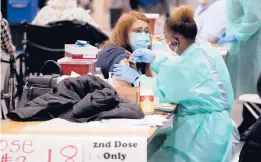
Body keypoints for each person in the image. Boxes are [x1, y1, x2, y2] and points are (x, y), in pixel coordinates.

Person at [113, 6, 237, 161]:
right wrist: (155, 58)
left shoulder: (187, 65)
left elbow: (162, 91)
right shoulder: (204, 50)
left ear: (175, 40)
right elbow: (175, 67)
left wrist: (137, 79)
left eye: (165, 40)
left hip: (202, 136)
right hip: (217, 129)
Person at [217, 0, 261, 134]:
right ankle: (248, 122)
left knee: (251, 84)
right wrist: (228, 31)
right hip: (241, 44)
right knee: (245, 84)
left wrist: (237, 34)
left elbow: (254, 16)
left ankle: (252, 124)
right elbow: (236, 14)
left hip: (249, 43)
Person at [95, 11, 153, 87]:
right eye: (138, 31)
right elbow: (125, 95)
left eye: (147, 31)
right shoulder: (122, 59)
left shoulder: (139, 57)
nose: (144, 36)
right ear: (124, 33)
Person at [32, 0, 98, 27]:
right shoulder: (81, 14)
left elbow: (29, 34)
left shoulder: (44, 13)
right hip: (75, 55)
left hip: (47, 55)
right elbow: (101, 36)